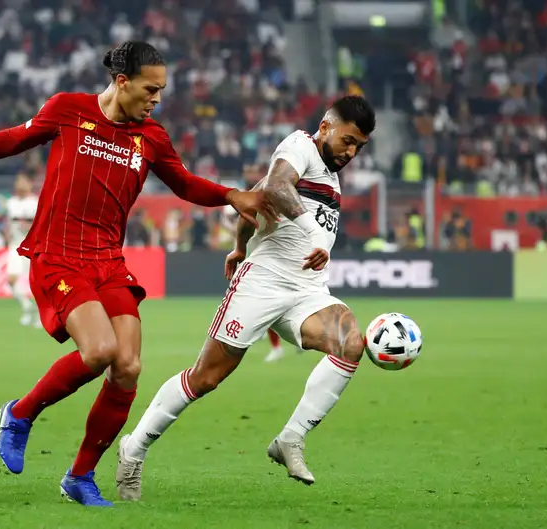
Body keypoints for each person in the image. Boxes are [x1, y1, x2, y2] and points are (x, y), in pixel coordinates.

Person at [0, 41, 275, 507]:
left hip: (108, 261)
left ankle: (80, 476)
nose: (156, 98)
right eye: (150, 88)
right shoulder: (68, 110)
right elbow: (13, 138)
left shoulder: (151, 137)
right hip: (58, 254)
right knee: (100, 350)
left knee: (128, 367)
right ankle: (19, 414)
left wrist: (230, 195)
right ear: (122, 82)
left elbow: (183, 183)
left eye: (161, 90)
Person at [116, 95, 376, 501]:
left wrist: (239, 245)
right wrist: (305, 236)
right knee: (206, 377)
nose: (351, 151)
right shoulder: (300, 146)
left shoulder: (330, 174)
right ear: (326, 126)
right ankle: (133, 450)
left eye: (359, 146)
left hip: (307, 290)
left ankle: (290, 439)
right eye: (348, 140)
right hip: (265, 282)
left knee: (350, 344)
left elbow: (256, 196)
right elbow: (273, 185)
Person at [5, 173, 39, 326]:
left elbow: (39, 222)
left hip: (31, 245)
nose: (20, 186)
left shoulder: (34, 202)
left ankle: (40, 315)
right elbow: (8, 220)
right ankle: (26, 306)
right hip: (15, 245)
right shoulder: (11, 202)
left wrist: (29, 226)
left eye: (23, 183)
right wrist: (7, 234)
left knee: (36, 283)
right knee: (11, 280)